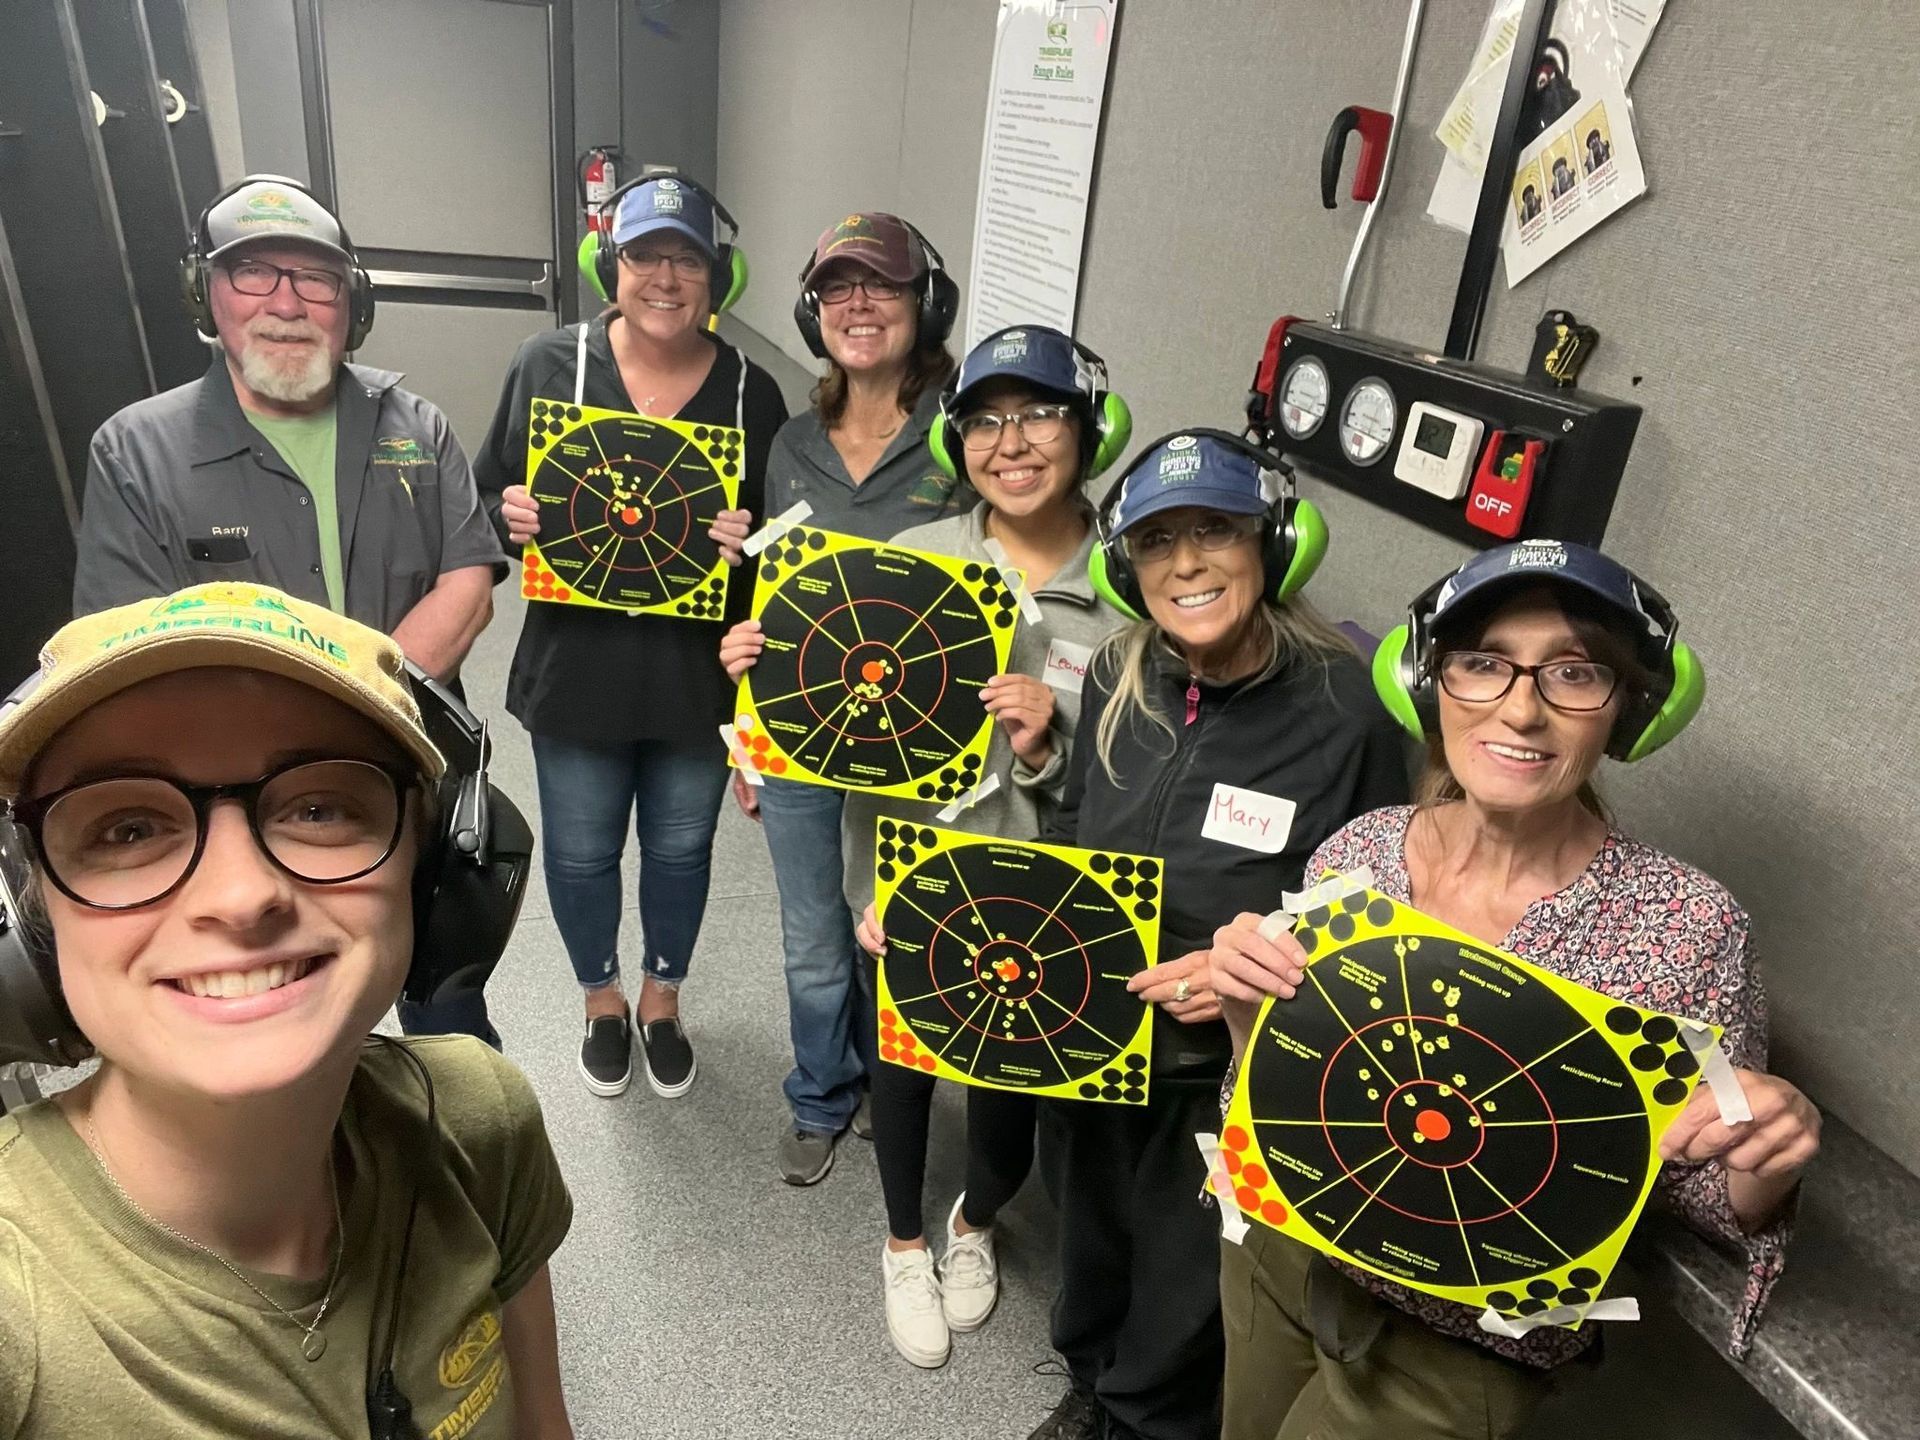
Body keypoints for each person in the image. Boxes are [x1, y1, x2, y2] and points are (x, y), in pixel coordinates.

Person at [1206, 540, 1821, 1440]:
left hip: (1456, 1350)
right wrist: (1243, 1011)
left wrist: (1766, 1157)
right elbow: (1278, 1089)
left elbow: (1703, 1199)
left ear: (1628, 714)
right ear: (1432, 683)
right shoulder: (1363, 852)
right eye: (1484, 664)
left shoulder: (1688, 924)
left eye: (1573, 674)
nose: (1522, 709)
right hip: (1282, 1254)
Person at [0, 581, 573, 1438]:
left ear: (435, 874)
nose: (240, 896)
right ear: (30, 912)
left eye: (319, 807)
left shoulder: (478, 1122)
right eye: (127, 828)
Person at [736, 324, 1130, 1366]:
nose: (1013, 441)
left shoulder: (1131, 596)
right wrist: (763, 679)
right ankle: (904, 1241)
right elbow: (845, 730)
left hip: (1046, 897)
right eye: (988, 420)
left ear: (1088, 431)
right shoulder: (917, 562)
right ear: (960, 444)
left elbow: (1145, 783)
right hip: (909, 881)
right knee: (902, 1073)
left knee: (1007, 1106)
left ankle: (973, 1223)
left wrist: (1047, 745)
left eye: (1040, 414)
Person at [1027, 434, 1409, 1440]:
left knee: (1188, 1277)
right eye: (1157, 541)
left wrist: (1248, 970)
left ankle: (1140, 1419)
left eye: (1214, 531)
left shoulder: (1352, 704)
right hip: (1099, 1034)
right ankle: (1092, 1384)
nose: (1186, 563)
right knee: (1094, 1240)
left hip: (1229, 1059)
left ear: (1274, 544)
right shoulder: (1118, 671)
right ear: (1127, 567)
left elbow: (1376, 907)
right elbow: (1070, 834)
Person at [71, 175, 507, 1045]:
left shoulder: (415, 427)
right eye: (254, 275)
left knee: (447, 1009)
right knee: (280, 1021)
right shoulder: (136, 451)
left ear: (353, 305)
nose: (286, 304)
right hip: (234, 813)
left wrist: (366, 721)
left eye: (315, 280)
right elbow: (124, 648)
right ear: (208, 295)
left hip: (412, 771)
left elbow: (466, 584)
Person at [476, 175, 787, 1102]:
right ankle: (600, 999)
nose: (664, 277)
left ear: (716, 277)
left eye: (686, 259)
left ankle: (660, 999)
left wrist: (748, 542)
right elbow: (486, 503)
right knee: (579, 855)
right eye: (645, 255)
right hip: (578, 675)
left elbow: (783, 547)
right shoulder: (546, 364)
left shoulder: (749, 391)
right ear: (609, 265)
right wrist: (512, 516)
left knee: (684, 852)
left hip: (695, 682)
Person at [722, 211, 967, 1185]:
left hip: (921, 735)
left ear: (926, 305)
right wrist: (742, 673)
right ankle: (822, 1091)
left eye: (883, 286)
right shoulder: (788, 442)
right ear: (811, 310)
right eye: (836, 289)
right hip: (799, 730)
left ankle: (894, 1089)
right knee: (815, 935)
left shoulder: (962, 437)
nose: (858, 305)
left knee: (901, 922)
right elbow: (773, 586)